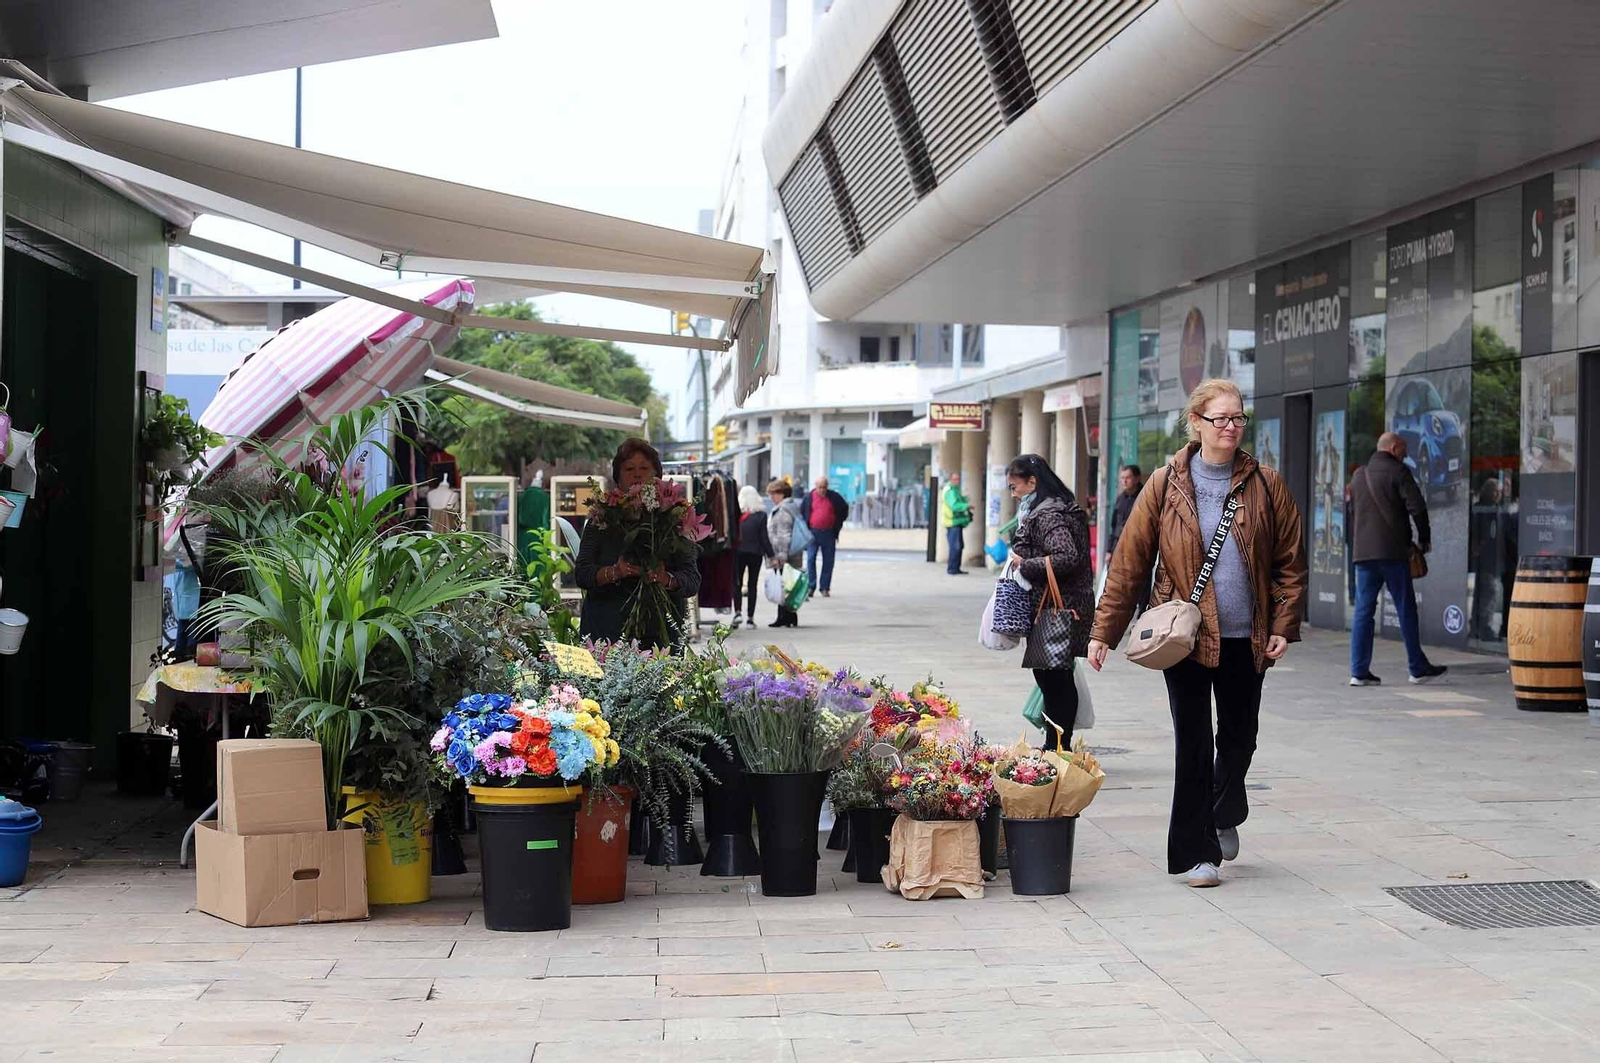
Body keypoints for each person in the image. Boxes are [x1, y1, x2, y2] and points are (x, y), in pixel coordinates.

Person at [1088, 379, 1307, 889]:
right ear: (1197, 424)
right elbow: (1129, 563)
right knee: (1192, 742)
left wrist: (1283, 624)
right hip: (1183, 638)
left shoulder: (1266, 484)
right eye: (1221, 419)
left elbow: (1289, 564)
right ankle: (1195, 854)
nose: (1231, 427)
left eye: (1238, 418)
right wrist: (1104, 632)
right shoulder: (1165, 485)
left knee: (1239, 739)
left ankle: (1224, 807)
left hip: (1246, 637)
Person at [574, 438, 701, 650]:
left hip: (661, 637)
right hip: (606, 632)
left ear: (657, 475)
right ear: (618, 476)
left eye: (644, 468)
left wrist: (666, 579)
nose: (637, 474)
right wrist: (615, 572)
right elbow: (582, 574)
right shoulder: (601, 518)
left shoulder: (675, 518)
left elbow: (692, 579)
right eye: (629, 468)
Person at [1006, 454, 1094, 750]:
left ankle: (1058, 746)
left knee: (1053, 680)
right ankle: (1056, 743)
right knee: (1053, 677)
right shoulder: (1053, 508)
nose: (1012, 492)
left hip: (1056, 608)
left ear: (1032, 482)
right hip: (1062, 605)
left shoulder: (1048, 514)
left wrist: (1025, 563)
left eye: (1014, 486)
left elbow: (1067, 556)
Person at [1348, 432, 1448, 686]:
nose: (1406, 455)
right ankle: (1417, 667)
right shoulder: (1398, 471)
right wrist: (1424, 539)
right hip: (1392, 553)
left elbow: (1353, 513)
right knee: (1406, 609)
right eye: (1404, 450)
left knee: (1363, 612)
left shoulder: (1359, 475)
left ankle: (1358, 672)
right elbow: (1418, 507)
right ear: (1393, 449)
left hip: (1364, 554)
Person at [1106, 464, 1149, 617]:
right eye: (1122, 478)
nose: (1124, 481)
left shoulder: (1145, 496)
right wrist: (1109, 550)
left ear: (1136, 479)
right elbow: (1114, 527)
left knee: (1142, 583)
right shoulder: (1120, 499)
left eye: (1128, 478)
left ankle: (1141, 614)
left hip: (1139, 547)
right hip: (1120, 547)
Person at [801, 475, 849, 599]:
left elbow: (844, 508)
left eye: (824, 487)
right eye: (820, 487)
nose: (822, 490)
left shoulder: (834, 496)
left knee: (828, 561)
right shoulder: (808, 497)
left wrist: (837, 522)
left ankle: (825, 587)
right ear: (815, 487)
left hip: (828, 533)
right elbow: (802, 512)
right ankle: (811, 587)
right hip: (813, 532)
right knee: (810, 559)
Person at [765, 479, 804, 628]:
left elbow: (783, 535)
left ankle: (784, 617)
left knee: (783, 585)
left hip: (784, 554)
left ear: (782, 494)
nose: (771, 497)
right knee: (788, 585)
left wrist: (781, 556)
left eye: (773, 494)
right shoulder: (791, 506)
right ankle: (788, 616)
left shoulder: (782, 510)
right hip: (793, 553)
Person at [734, 484, 770, 629]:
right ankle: (750, 618)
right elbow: (764, 538)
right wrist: (771, 555)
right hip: (756, 553)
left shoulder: (737, 514)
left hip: (738, 552)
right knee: (752, 585)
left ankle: (737, 612)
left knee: (736, 583)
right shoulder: (761, 515)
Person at [941, 472, 973, 575]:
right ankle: (952, 569)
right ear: (950, 479)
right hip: (952, 522)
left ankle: (956, 568)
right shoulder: (950, 490)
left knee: (959, 546)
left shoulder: (954, 490)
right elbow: (954, 505)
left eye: (958, 479)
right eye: (955, 479)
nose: (957, 481)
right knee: (955, 546)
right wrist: (966, 506)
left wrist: (965, 500)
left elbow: (958, 501)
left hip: (956, 522)